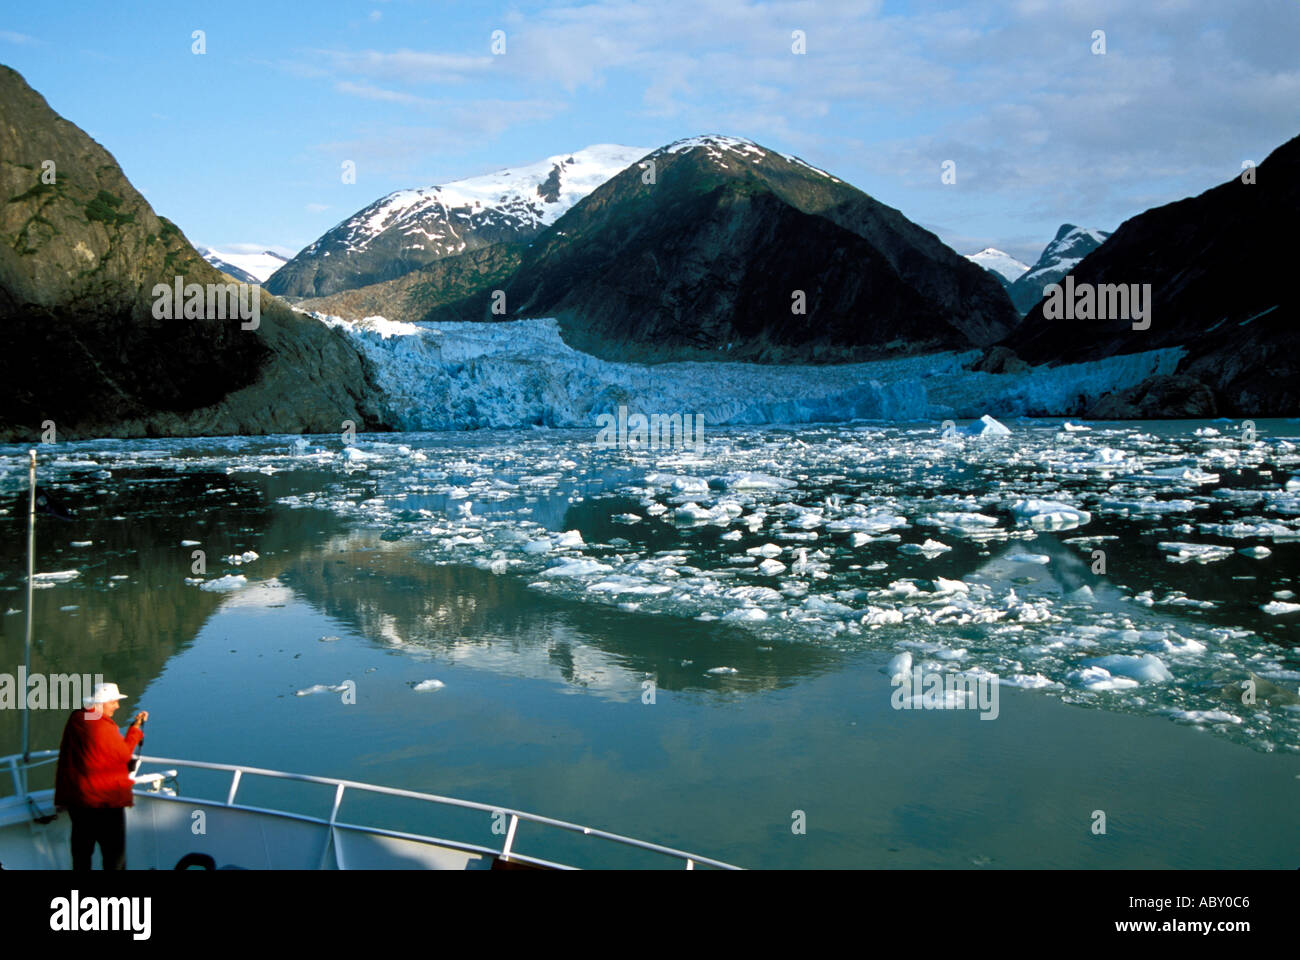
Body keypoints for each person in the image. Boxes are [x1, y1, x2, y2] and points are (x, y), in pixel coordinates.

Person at [53, 682, 148, 871]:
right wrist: (135, 730)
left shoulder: (79, 718)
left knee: (81, 852)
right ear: (102, 703)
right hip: (104, 803)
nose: (117, 706)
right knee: (114, 856)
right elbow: (122, 753)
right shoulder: (101, 727)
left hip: (78, 801)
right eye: (113, 702)